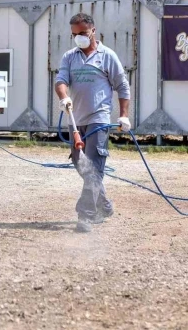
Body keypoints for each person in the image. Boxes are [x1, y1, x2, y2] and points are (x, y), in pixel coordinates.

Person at [55, 13, 131, 233]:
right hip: (75, 120)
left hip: (99, 119)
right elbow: (60, 81)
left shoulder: (107, 56)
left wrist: (123, 115)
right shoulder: (70, 57)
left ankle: (86, 215)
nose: (79, 38)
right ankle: (104, 205)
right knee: (81, 165)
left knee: (94, 168)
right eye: (74, 34)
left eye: (83, 33)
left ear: (93, 31)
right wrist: (64, 97)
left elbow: (122, 87)